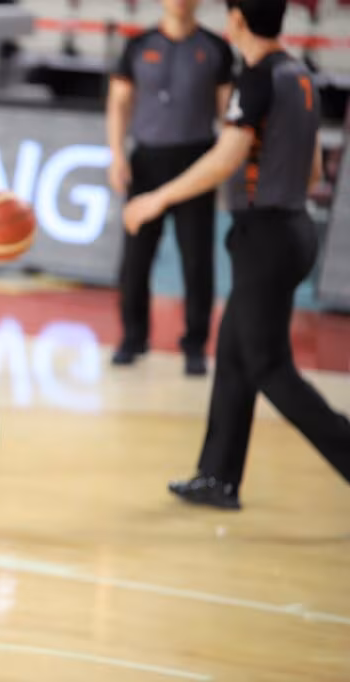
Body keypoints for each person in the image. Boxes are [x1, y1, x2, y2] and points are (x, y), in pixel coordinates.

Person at [124, 0, 350, 509]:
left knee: (270, 366)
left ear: (237, 21)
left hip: (266, 235)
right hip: (294, 228)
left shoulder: (256, 77)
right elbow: (313, 169)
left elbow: (226, 158)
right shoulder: (302, 74)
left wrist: (155, 198)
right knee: (233, 351)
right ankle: (218, 477)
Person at [108, 0, 234, 376]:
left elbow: (228, 113)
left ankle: (195, 344)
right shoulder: (138, 44)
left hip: (196, 160)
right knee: (135, 258)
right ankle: (133, 337)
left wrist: (223, 165)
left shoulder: (216, 48)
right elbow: (118, 103)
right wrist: (117, 155)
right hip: (146, 161)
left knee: (197, 259)